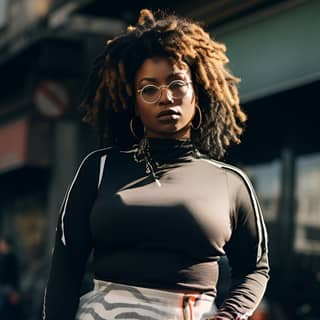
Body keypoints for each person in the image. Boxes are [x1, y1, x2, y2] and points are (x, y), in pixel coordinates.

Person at [43, 9, 269, 320]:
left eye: (177, 83)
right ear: (134, 103)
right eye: (150, 89)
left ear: (197, 93)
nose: (166, 97)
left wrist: (229, 315)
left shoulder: (230, 182)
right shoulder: (100, 169)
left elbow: (255, 268)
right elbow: (66, 266)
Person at [0, 236, 20, 319]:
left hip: (8, 288)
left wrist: (15, 291)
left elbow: (14, 275)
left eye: (2, 244)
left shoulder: (11, 258)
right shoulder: (3, 257)